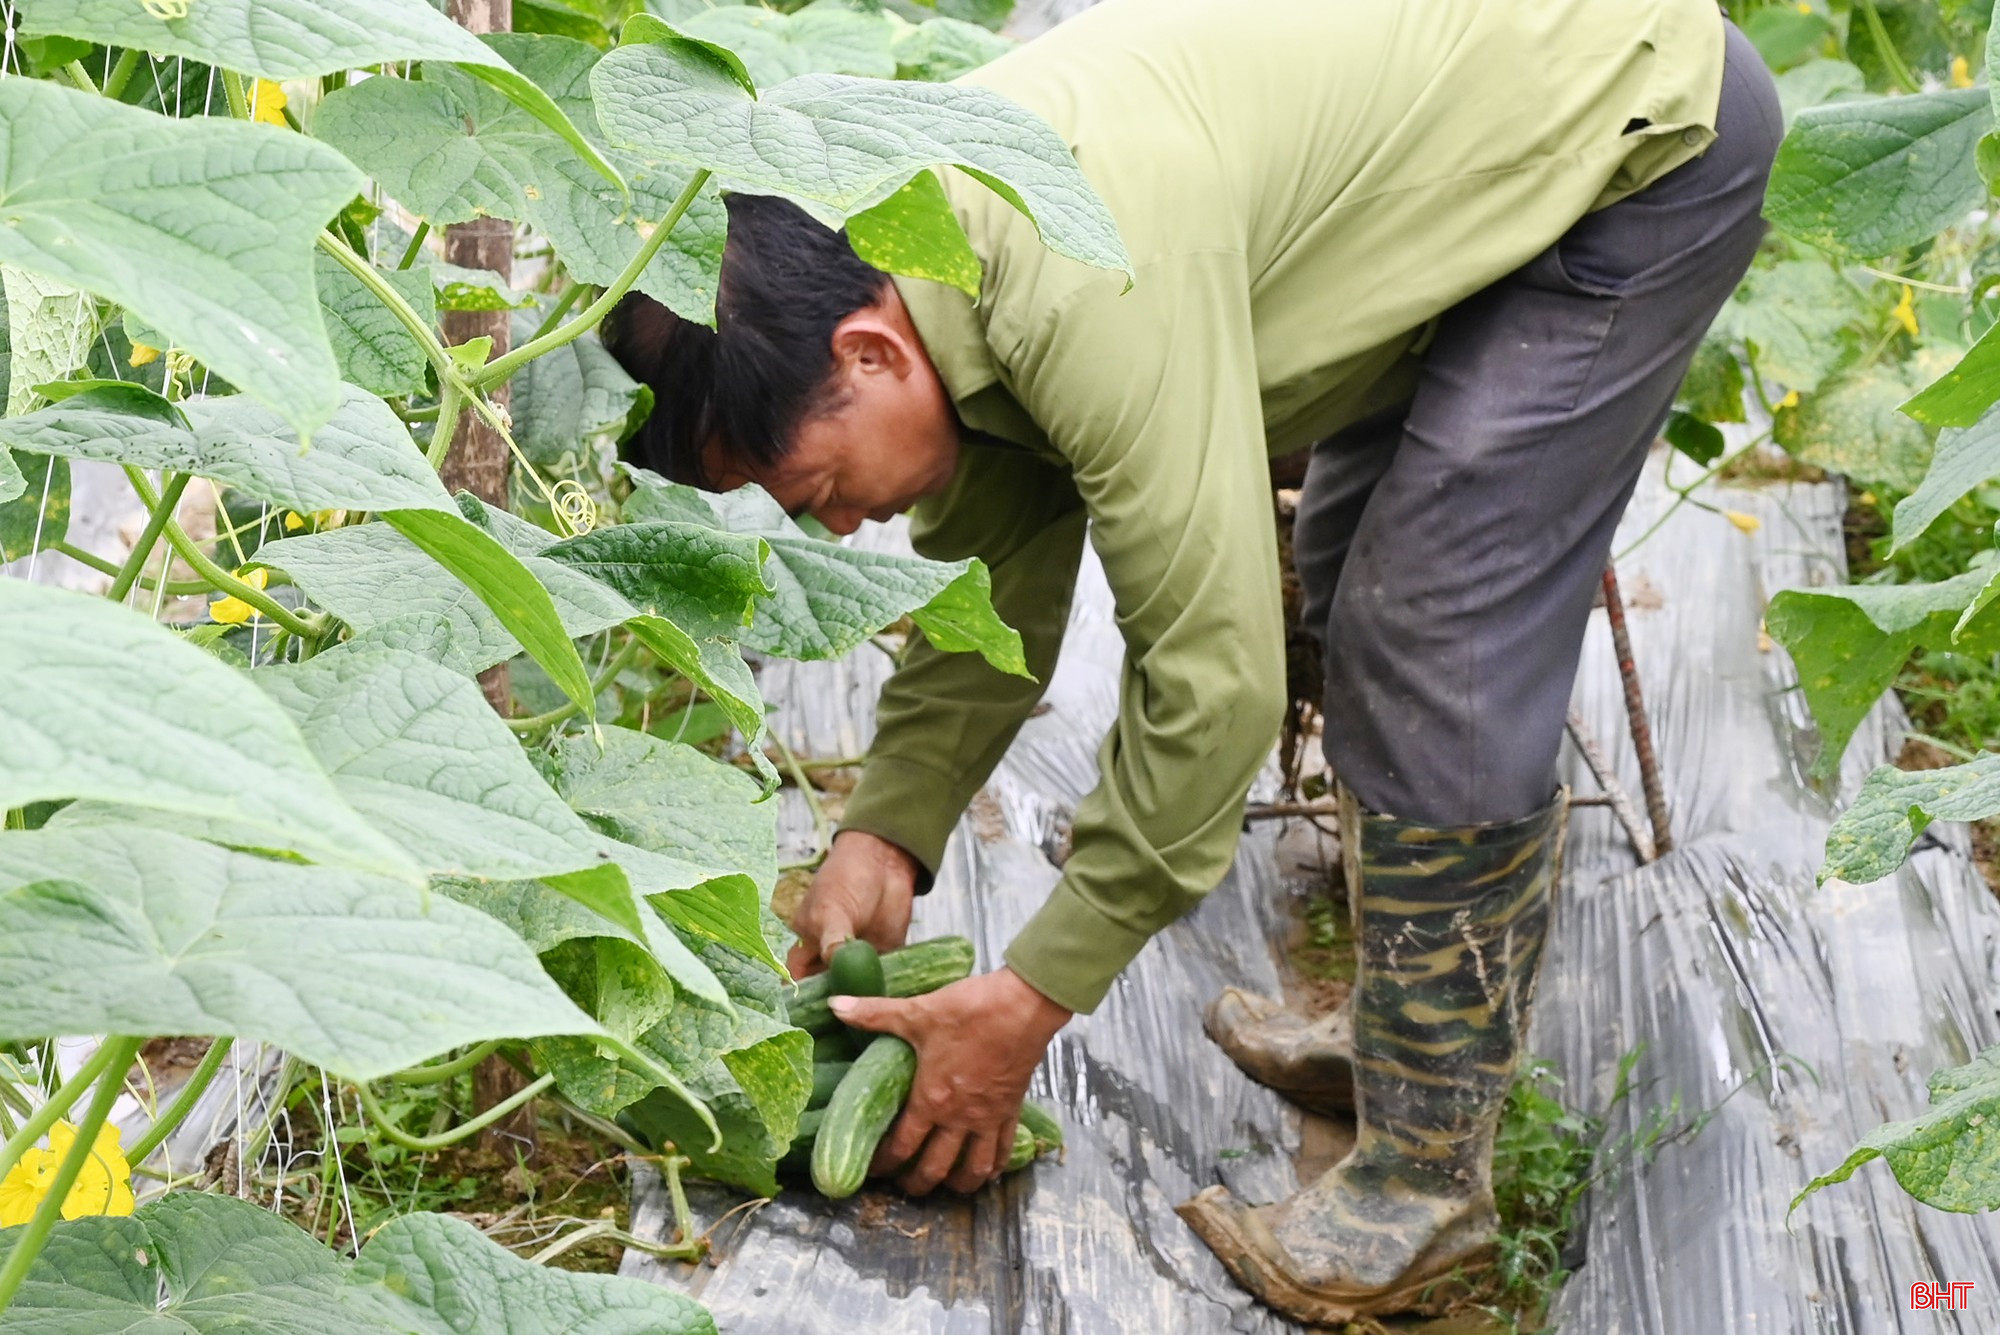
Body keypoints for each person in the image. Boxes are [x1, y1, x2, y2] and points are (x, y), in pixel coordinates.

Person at [603, 0, 1780, 1320]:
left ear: (869, 352)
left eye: (812, 482)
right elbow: (994, 589)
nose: (826, 521)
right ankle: (1414, 1033)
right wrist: (885, 833)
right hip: (1481, 132)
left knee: (1431, 629)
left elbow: (1213, 680)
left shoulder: (1071, 274)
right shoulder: (927, 255)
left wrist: (1031, 998)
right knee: (1347, 572)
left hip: (1628, 140)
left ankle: (1429, 1186)